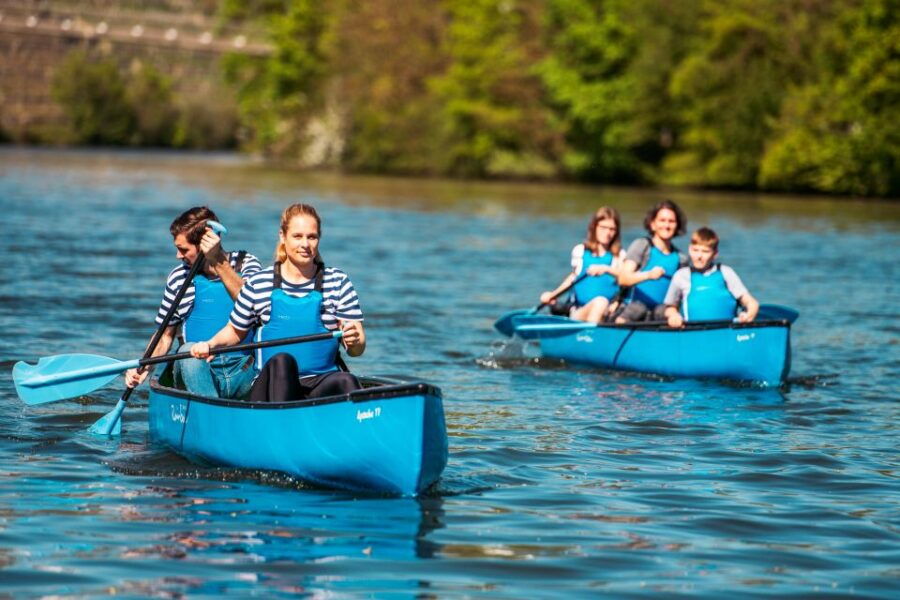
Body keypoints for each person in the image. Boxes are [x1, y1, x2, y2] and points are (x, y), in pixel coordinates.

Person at [190, 203, 365, 402]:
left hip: (320, 382)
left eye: (312, 237)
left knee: (346, 380)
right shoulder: (259, 283)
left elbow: (357, 349)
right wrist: (210, 344)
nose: (305, 244)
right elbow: (235, 331)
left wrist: (354, 341)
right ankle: (282, 425)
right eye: (297, 236)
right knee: (283, 361)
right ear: (282, 236)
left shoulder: (338, 281)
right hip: (270, 386)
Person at [125, 207, 262, 398]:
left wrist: (217, 261)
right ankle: (212, 413)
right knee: (188, 351)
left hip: (242, 370)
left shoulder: (246, 264)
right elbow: (165, 336)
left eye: (183, 249)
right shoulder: (179, 278)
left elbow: (251, 305)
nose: (178, 256)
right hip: (196, 370)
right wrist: (144, 368)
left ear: (206, 243)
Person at [540, 206, 624, 323]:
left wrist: (606, 269)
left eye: (612, 229)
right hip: (579, 312)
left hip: (607, 313)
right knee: (600, 302)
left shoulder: (620, 256)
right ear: (594, 227)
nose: (607, 233)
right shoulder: (580, 251)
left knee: (601, 303)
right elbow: (573, 278)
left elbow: (625, 279)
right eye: (603, 227)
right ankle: (589, 336)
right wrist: (553, 295)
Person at [663, 227, 759, 327]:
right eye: (695, 250)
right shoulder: (681, 275)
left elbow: (751, 302)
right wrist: (673, 316)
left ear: (715, 254)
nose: (699, 256)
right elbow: (669, 307)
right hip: (693, 333)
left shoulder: (726, 273)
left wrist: (749, 313)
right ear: (689, 249)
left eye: (705, 251)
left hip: (727, 332)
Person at [614, 200, 689, 323]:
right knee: (638, 309)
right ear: (653, 224)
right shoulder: (642, 246)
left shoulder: (681, 258)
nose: (667, 225)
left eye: (671, 221)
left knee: (669, 313)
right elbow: (623, 278)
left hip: (661, 314)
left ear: (677, 226)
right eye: (662, 220)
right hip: (632, 310)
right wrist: (648, 275)